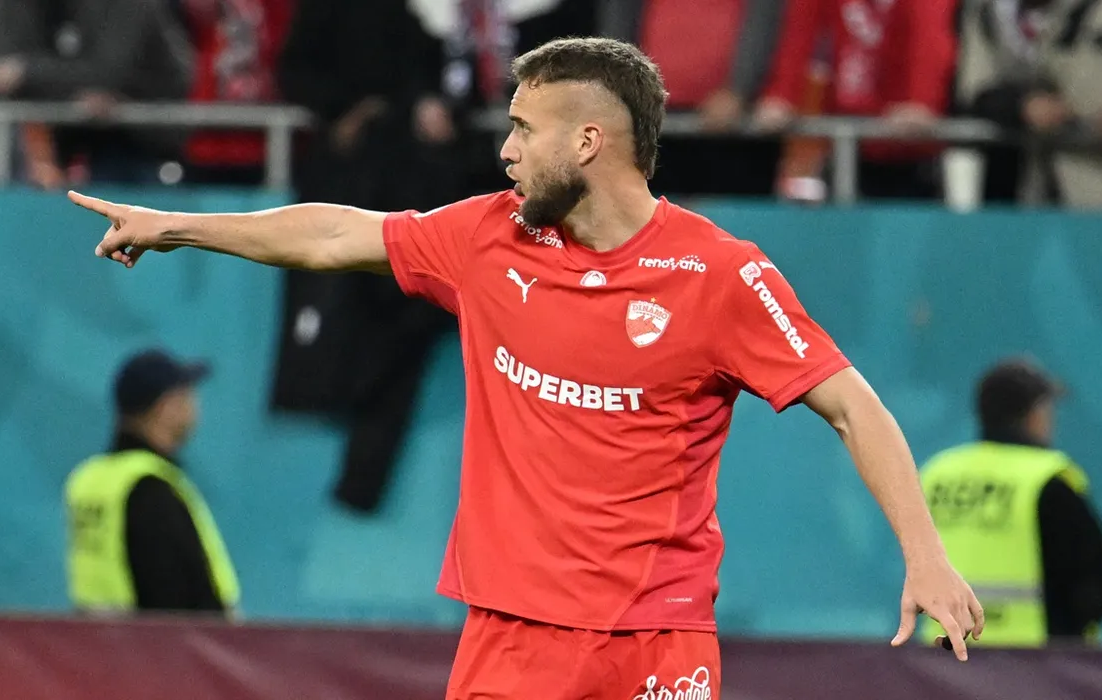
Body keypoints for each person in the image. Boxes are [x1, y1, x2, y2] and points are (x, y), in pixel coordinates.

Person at [68, 37, 981, 698]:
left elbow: (854, 407)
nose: (504, 151)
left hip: (657, 640)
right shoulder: (488, 238)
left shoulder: (722, 276)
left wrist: (926, 555)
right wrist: (181, 225)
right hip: (512, 640)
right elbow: (337, 233)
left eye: (522, 128)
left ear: (587, 141)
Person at [918, 357, 1102, 647]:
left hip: (945, 654)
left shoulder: (937, 475)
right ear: (1034, 415)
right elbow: (1095, 583)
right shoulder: (1047, 480)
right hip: (1033, 659)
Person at [65, 349, 240, 617]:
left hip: (97, 641)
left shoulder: (89, 479)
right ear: (166, 407)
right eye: (186, 396)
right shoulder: (151, 488)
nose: (194, 406)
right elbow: (174, 603)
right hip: (160, 644)